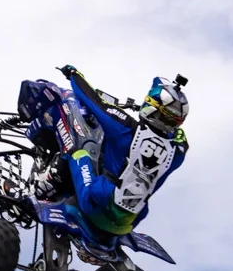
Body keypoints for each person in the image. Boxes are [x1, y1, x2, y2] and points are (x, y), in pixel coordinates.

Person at [17, 65, 189, 237]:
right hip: (127, 224)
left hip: (95, 205)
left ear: (151, 105)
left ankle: (45, 185)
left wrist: (74, 75)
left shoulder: (126, 129)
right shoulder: (177, 154)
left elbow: (94, 101)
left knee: (78, 151)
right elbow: (181, 138)